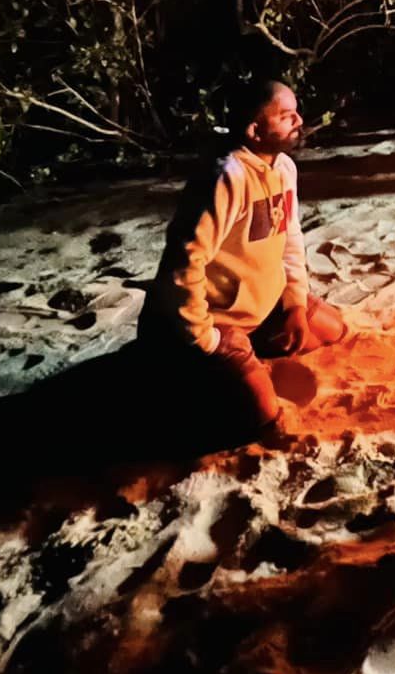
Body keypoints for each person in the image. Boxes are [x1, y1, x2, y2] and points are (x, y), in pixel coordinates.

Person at [138, 78, 347, 442]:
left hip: (259, 307)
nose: (299, 121)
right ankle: (186, 376)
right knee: (263, 416)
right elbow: (184, 265)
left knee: (334, 331)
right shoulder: (226, 178)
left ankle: (251, 351)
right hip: (212, 320)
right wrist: (207, 339)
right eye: (286, 116)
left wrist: (296, 304)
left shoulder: (283, 168)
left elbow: (290, 240)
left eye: (296, 112)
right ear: (255, 130)